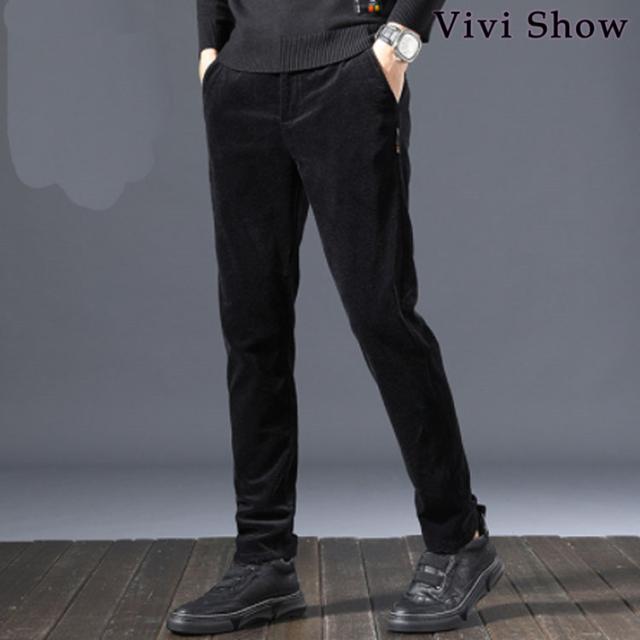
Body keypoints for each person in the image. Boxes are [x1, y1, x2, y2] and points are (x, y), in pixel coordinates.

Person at [167, 0, 504, 634]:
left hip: (348, 72)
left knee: (382, 315)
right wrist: (211, 50)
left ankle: (460, 539)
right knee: (252, 328)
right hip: (241, 85)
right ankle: (263, 559)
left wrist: (397, 43)